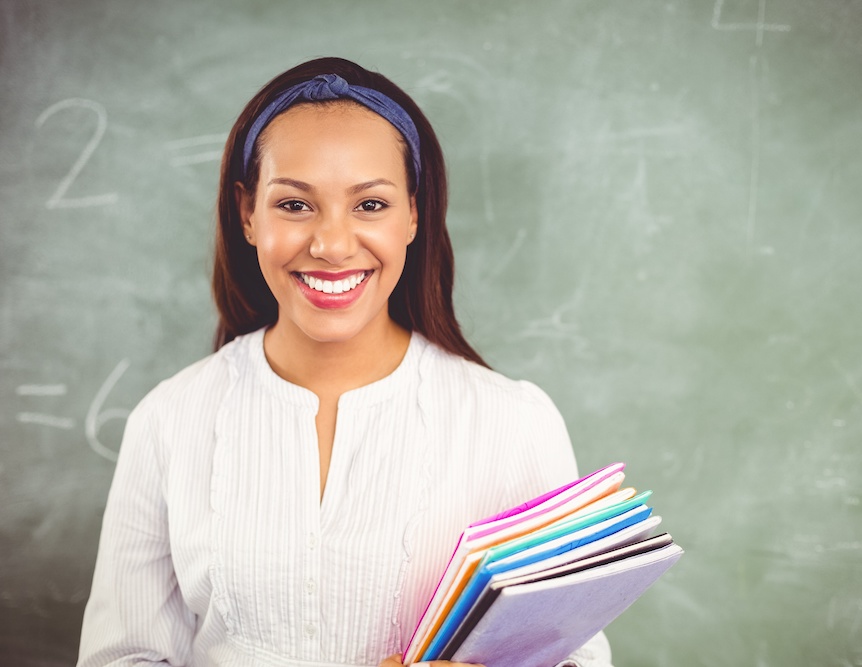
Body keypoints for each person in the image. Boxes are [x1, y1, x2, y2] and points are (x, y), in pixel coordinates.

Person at [77, 57, 613, 667]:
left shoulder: (514, 422)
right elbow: (120, 658)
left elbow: (575, 658)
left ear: (414, 212)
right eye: (295, 206)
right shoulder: (170, 419)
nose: (331, 246)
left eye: (370, 206)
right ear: (248, 213)